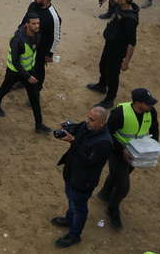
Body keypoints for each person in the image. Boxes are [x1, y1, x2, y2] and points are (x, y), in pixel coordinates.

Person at [51, 105, 113, 248]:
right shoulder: (88, 127)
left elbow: (88, 162)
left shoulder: (104, 143)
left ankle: (74, 235)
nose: (87, 121)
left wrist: (73, 142)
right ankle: (68, 219)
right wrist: (68, 129)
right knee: (71, 199)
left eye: (91, 119)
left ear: (102, 123)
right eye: (88, 117)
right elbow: (78, 128)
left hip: (83, 181)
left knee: (79, 208)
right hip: (72, 174)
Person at [99, 88, 159, 229]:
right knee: (123, 186)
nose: (151, 106)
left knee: (119, 176)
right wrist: (122, 150)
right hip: (117, 152)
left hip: (137, 153)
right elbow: (107, 133)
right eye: (147, 103)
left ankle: (105, 193)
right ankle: (112, 210)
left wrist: (153, 146)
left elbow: (155, 128)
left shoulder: (151, 111)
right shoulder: (120, 114)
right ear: (137, 103)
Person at [0, 14, 51, 134]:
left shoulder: (37, 33)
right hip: (14, 72)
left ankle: (39, 124)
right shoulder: (17, 40)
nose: (37, 26)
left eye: (38, 23)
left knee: (34, 97)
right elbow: (15, 62)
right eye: (34, 23)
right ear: (27, 24)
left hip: (29, 70)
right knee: (5, 88)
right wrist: (28, 77)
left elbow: (35, 50)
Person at [86, 0, 140, 108]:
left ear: (125, 0)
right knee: (103, 65)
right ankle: (101, 85)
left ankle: (110, 99)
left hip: (117, 49)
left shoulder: (130, 20)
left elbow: (132, 43)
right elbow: (115, 3)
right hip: (110, 43)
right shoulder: (122, 6)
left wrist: (126, 62)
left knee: (112, 75)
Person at [28, 0, 61, 92]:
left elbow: (56, 37)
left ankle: (37, 89)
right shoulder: (33, 4)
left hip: (41, 47)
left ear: (45, 0)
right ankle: (24, 80)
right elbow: (25, 17)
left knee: (38, 68)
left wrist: (49, 54)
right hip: (28, 41)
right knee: (25, 62)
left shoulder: (54, 17)